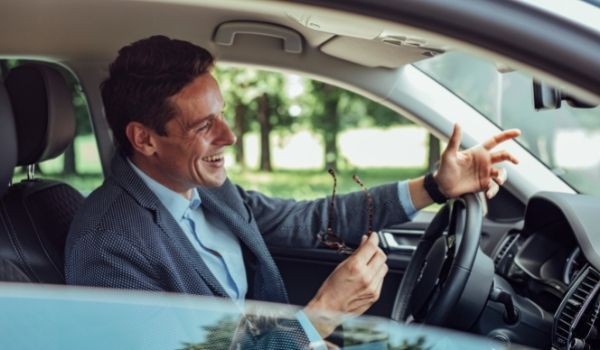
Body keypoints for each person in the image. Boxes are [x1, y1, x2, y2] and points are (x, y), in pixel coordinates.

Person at [64, 35, 520, 348]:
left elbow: (307, 220)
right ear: (144, 139)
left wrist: (435, 187)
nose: (230, 136)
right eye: (205, 125)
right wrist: (322, 313)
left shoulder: (207, 191)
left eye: (222, 114)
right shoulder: (108, 245)